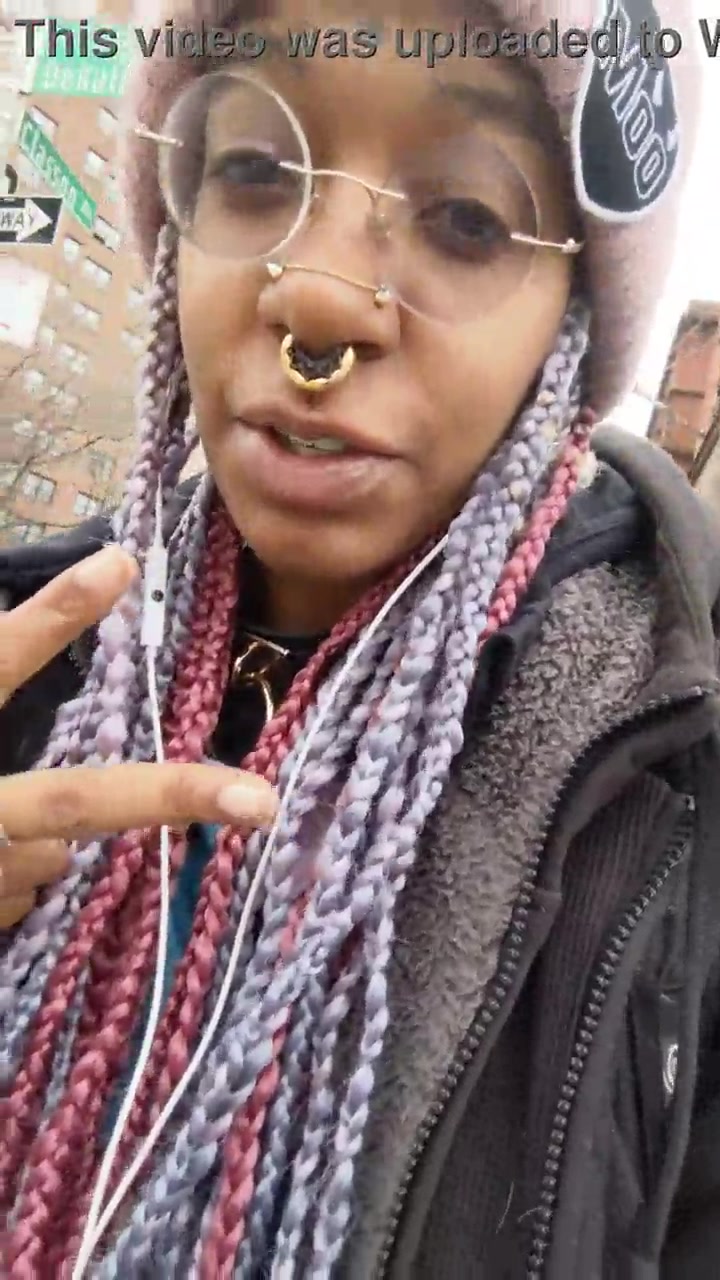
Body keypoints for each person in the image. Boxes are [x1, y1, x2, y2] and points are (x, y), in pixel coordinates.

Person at [0, 0, 718, 1274]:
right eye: (254, 169)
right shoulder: (27, 655)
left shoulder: (678, 803)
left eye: (467, 219)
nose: (321, 296)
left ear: (573, 329)